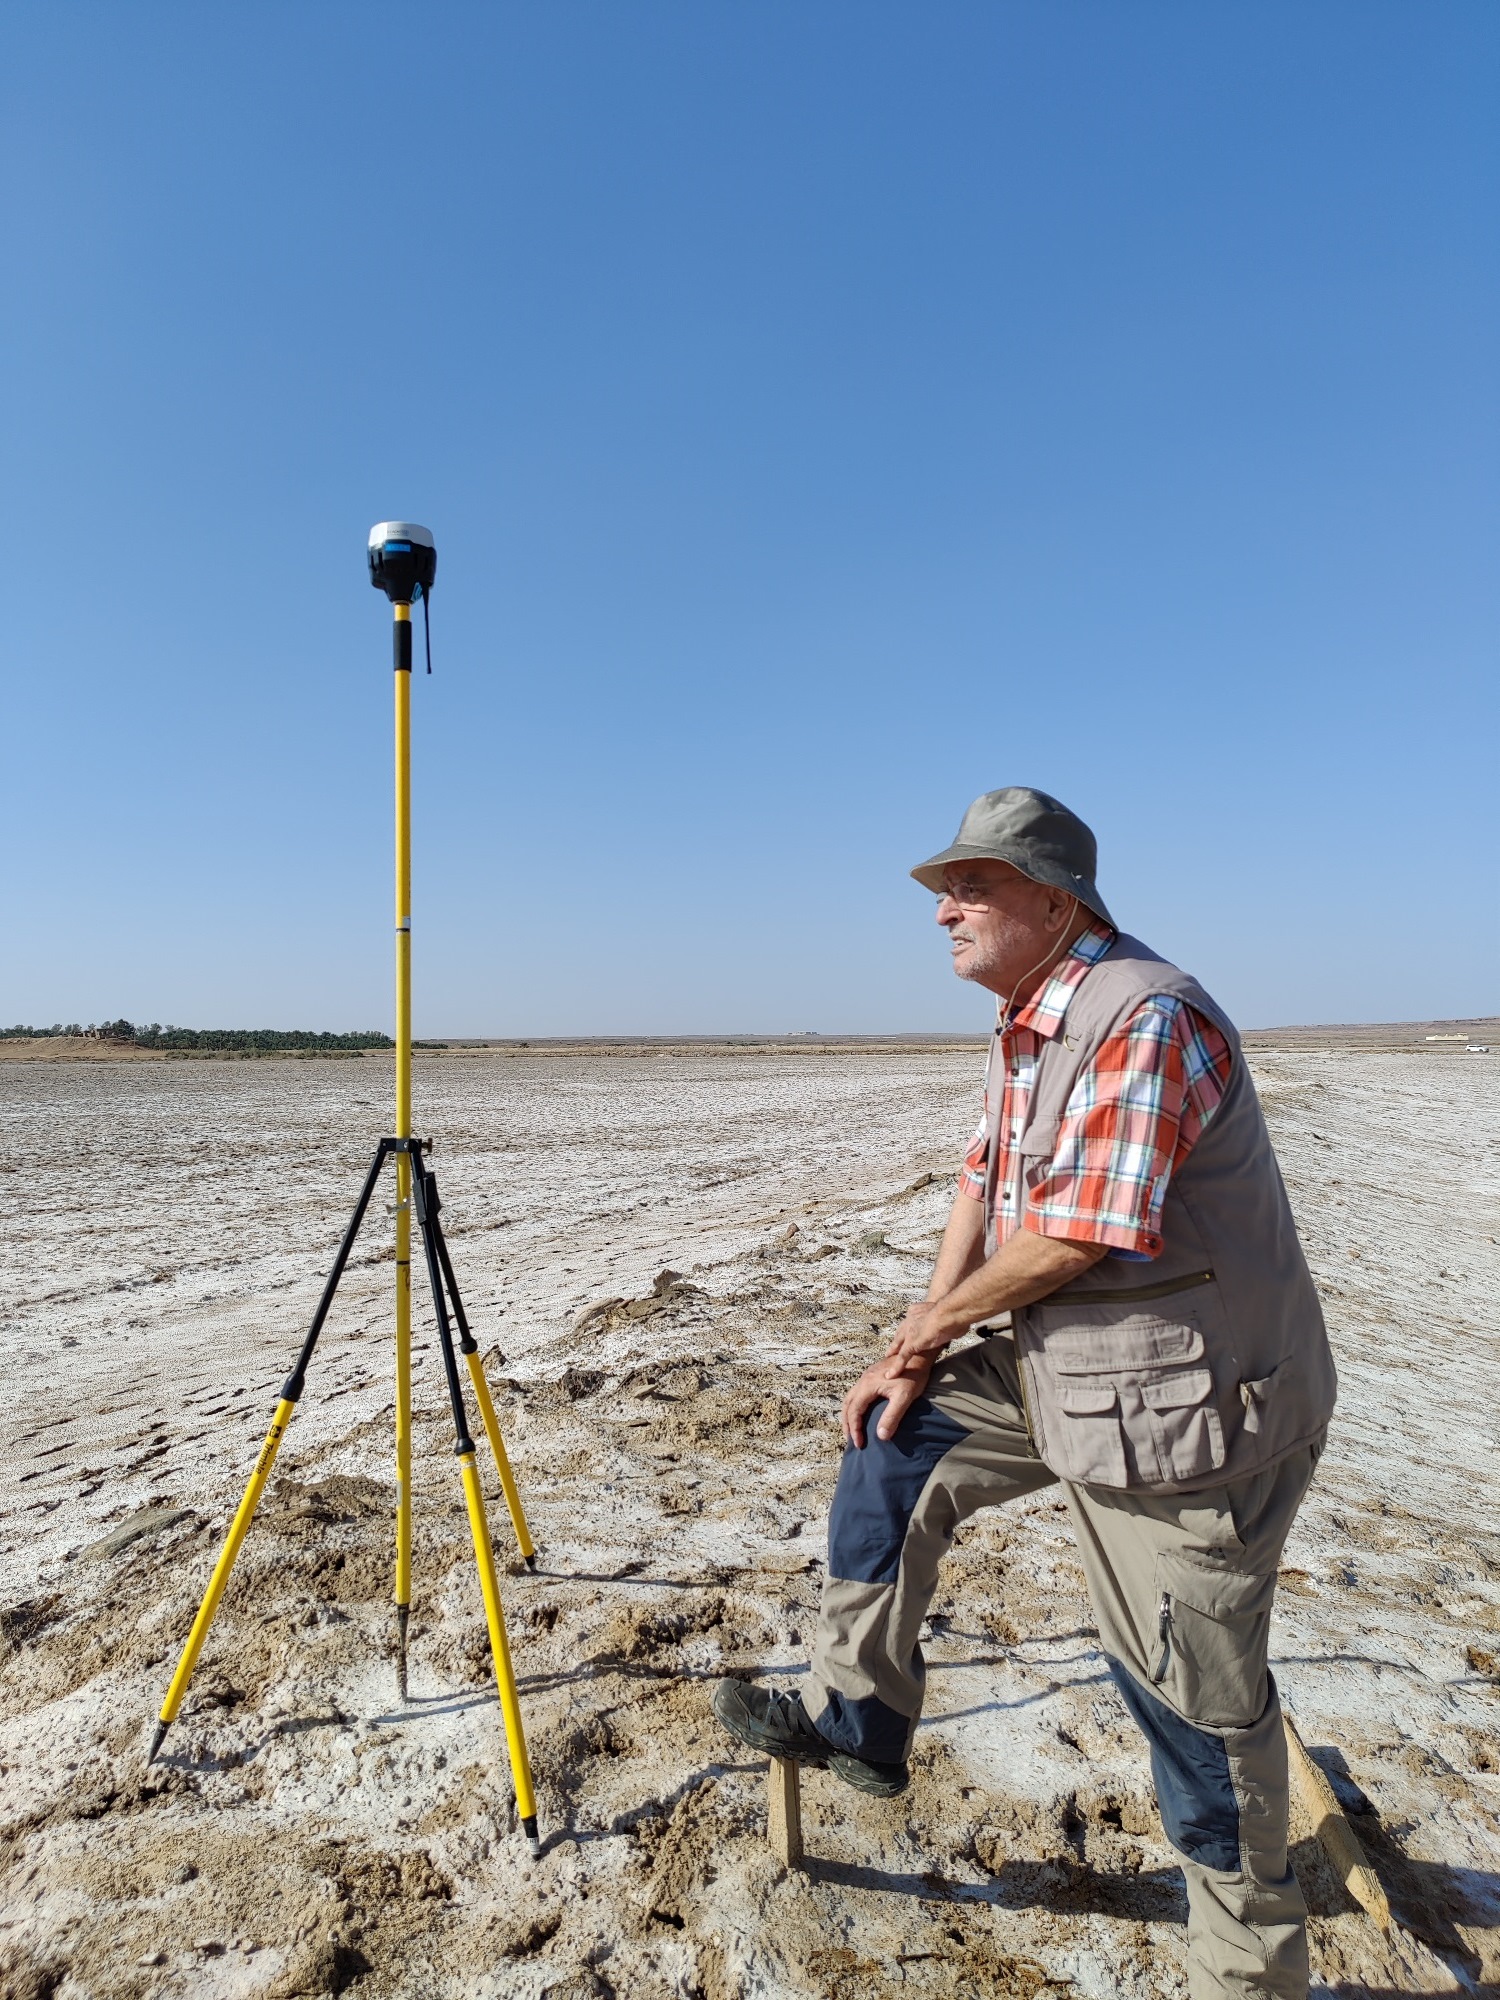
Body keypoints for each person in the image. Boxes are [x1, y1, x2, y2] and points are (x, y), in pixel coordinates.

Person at [713, 787, 1337, 2000]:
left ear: (1056, 901)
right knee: (894, 1439)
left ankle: (1248, 1969)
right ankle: (861, 1718)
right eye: (943, 886)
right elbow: (984, 1180)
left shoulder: (1146, 1014)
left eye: (974, 884)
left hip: (1192, 1413)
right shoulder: (1027, 1015)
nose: (944, 906)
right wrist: (913, 1342)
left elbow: (1085, 1230)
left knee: (1194, 1713)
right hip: (1069, 1367)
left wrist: (943, 1319)